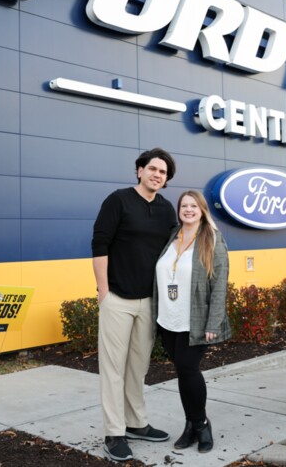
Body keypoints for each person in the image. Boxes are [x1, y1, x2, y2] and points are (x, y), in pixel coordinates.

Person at [91, 148, 177, 462]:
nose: (158, 175)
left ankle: (136, 423)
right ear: (139, 170)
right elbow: (100, 242)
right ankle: (114, 433)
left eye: (163, 173)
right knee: (113, 369)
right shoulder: (118, 200)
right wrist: (103, 291)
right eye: (153, 169)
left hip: (149, 301)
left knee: (138, 367)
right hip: (117, 297)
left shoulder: (167, 210)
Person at [153, 190, 231, 453]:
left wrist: (213, 322)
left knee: (188, 369)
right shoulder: (172, 236)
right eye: (184, 206)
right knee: (183, 373)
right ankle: (190, 425)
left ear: (202, 210)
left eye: (193, 206)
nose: (188, 210)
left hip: (195, 320)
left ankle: (201, 424)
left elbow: (220, 284)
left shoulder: (212, 239)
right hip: (168, 319)